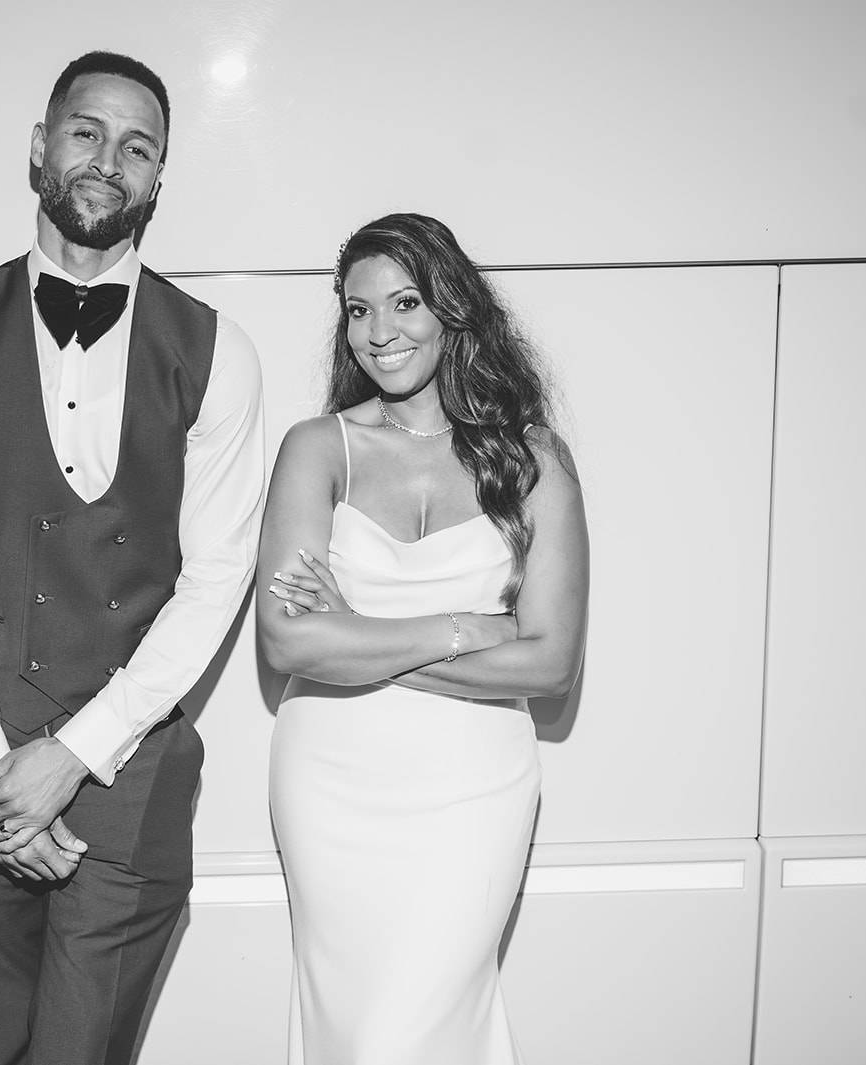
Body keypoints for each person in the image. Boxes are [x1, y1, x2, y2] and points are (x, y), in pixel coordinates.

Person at [0, 51, 264, 1065]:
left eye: (138, 147)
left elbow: (215, 580)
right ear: (41, 147)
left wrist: (74, 755)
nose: (108, 159)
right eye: (87, 132)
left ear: (158, 179)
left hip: (131, 774)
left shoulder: (221, 353)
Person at [259, 213, 588, 1064]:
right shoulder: (316, 448)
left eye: (404, 302)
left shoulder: (535, 460)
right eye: (357, 310)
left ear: (452, 309)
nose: (380, 331)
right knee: (355, 1032)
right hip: (332, 783)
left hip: (472, 787)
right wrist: (465, 630)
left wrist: (356, 635)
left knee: (412, 1029)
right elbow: (289, 646)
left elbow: (550, 661)